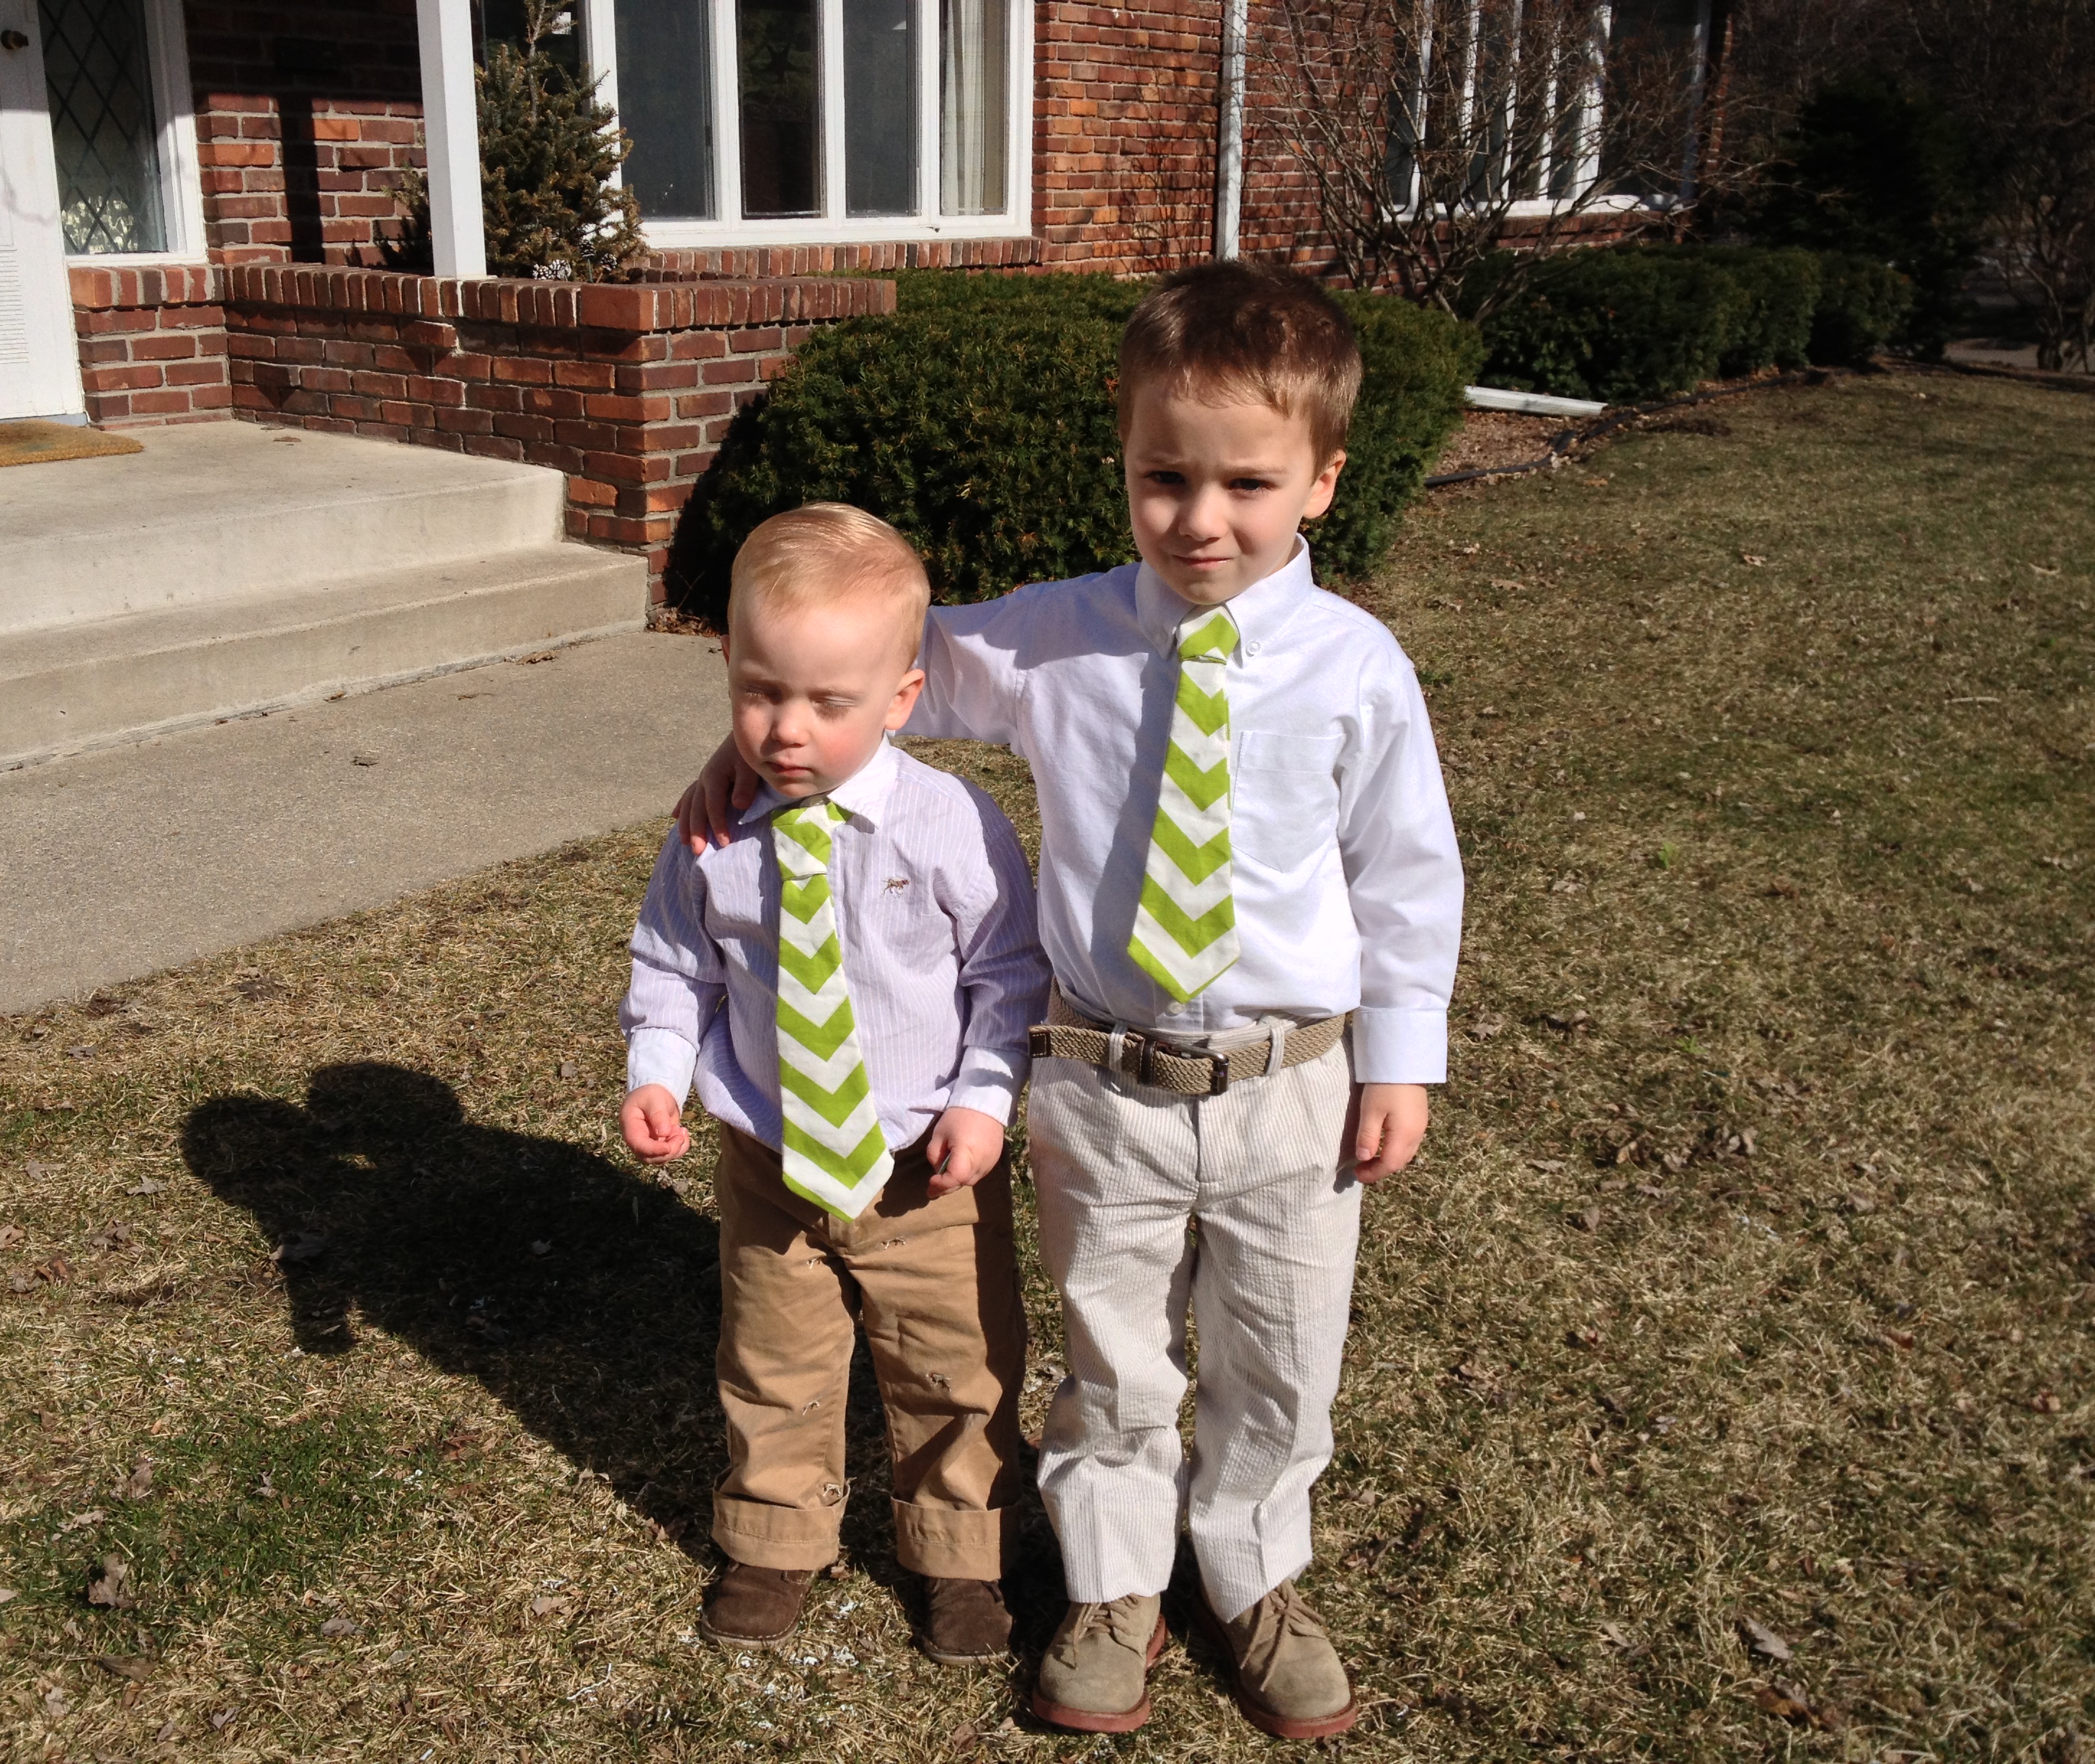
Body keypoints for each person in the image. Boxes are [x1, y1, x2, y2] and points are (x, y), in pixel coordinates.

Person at [678, 262, 1464, 1740]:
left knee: (1281, 1357)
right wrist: (765, 744)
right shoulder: (1061, 638)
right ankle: (1114, 1585)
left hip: (1291, 1082)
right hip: (1105, 1084)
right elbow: (872, 661)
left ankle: (1251, 1575)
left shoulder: (1356, 669)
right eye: (1166, 476)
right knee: (1112, 1352)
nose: (1201, 518)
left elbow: (1407, 874)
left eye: (1248, 482)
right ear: (1125, 457)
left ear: (1323, 479)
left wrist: (1401, 1058)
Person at [618, 503, 1051, 1665]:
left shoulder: (949, 823)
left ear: (902, 698)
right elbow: (674, 965)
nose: (787, 730)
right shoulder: (713, 834)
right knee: (773, 1359)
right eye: (761, 694)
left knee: (957, 1363)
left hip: (926, 1170)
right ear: (727, 667)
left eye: (828, 703)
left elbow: (1009, 974)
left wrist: (984, 1101)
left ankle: (959, 1552)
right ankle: (773, 1535)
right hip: (771, 1160)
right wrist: (658, 1069)